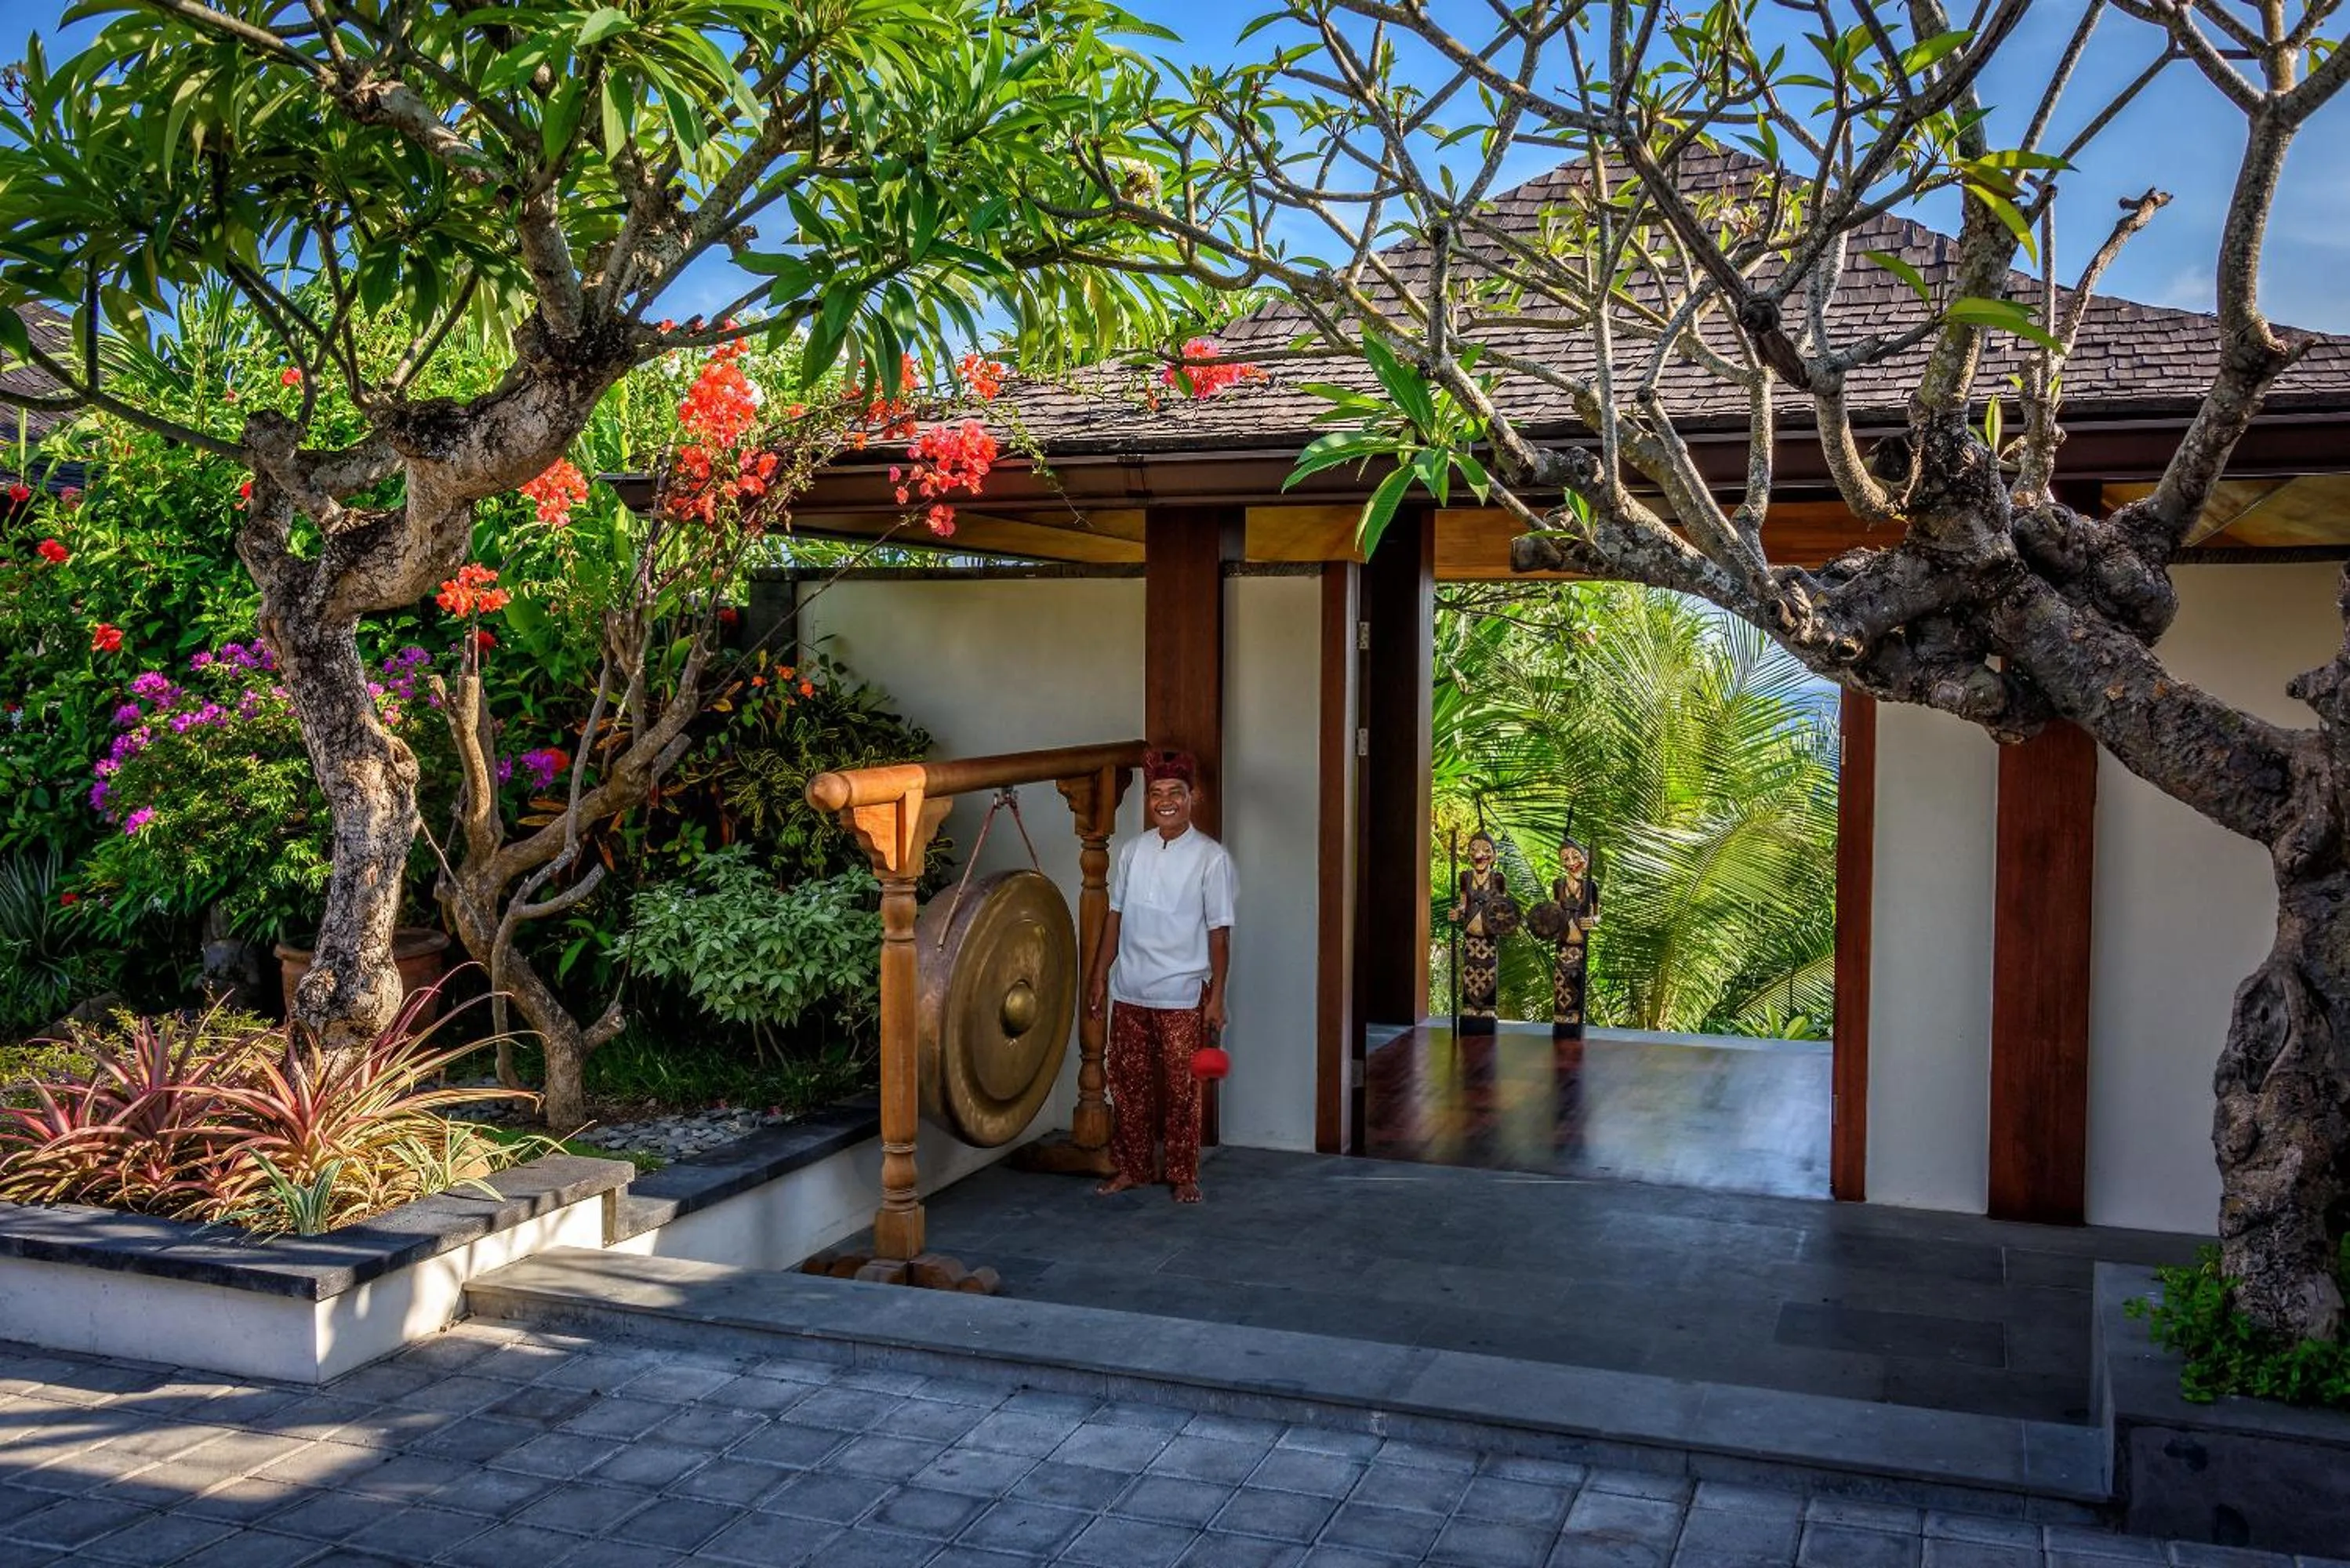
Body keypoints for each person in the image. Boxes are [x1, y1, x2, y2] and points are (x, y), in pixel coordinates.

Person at [1084, 748, 1233, 1203]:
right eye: (1156, 793)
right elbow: (1115, 917)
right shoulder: (1133, 851)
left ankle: (1184, 1173)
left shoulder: (1211, 858)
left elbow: (1219, 934)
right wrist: (1100, 975)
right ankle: (1133, 1168)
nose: (1165, 801)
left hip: (1182, 992)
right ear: (1148, 800)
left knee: (1182, 1089)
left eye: (1175, 792)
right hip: (1131, 987)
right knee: (1127, 1083)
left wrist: (1217, 997)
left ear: (1193, 797)